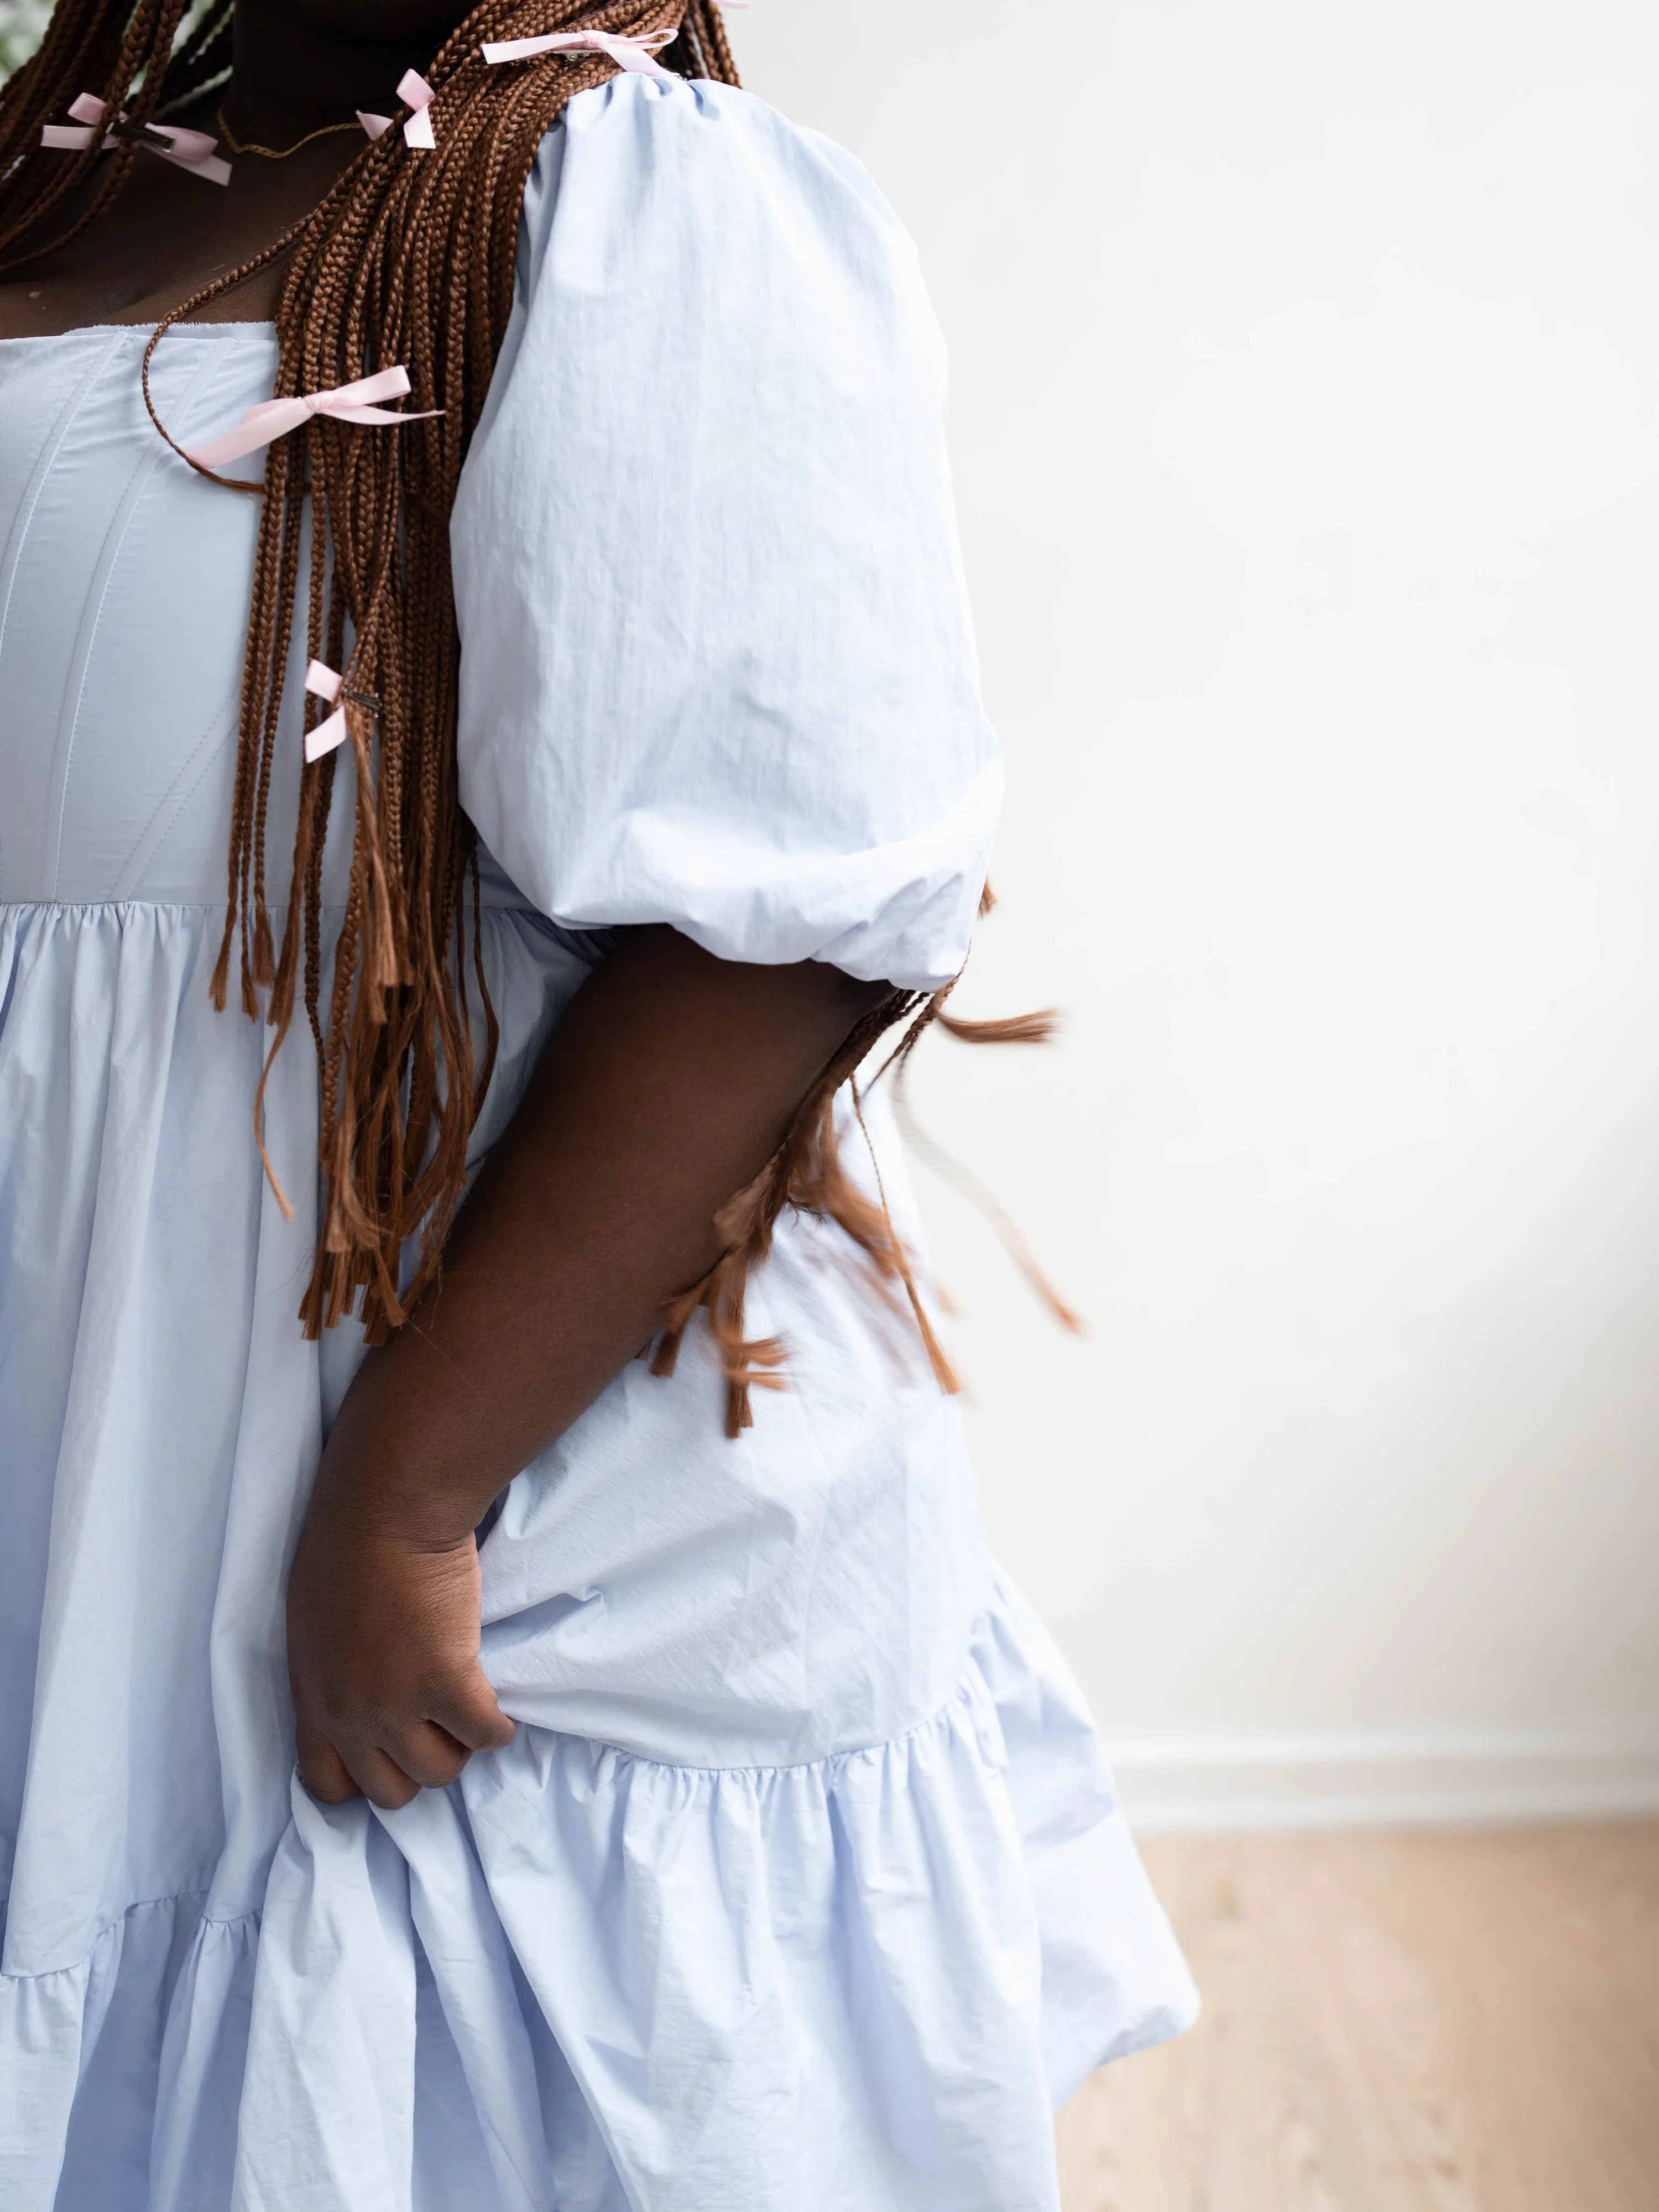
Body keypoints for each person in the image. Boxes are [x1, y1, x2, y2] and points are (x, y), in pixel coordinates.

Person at [0, 4, 1197, 2206]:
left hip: (410, 1457)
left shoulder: (627, 208)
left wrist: (410, 1496)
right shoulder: (79, 162)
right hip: (67, 1423)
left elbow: (779, 926)